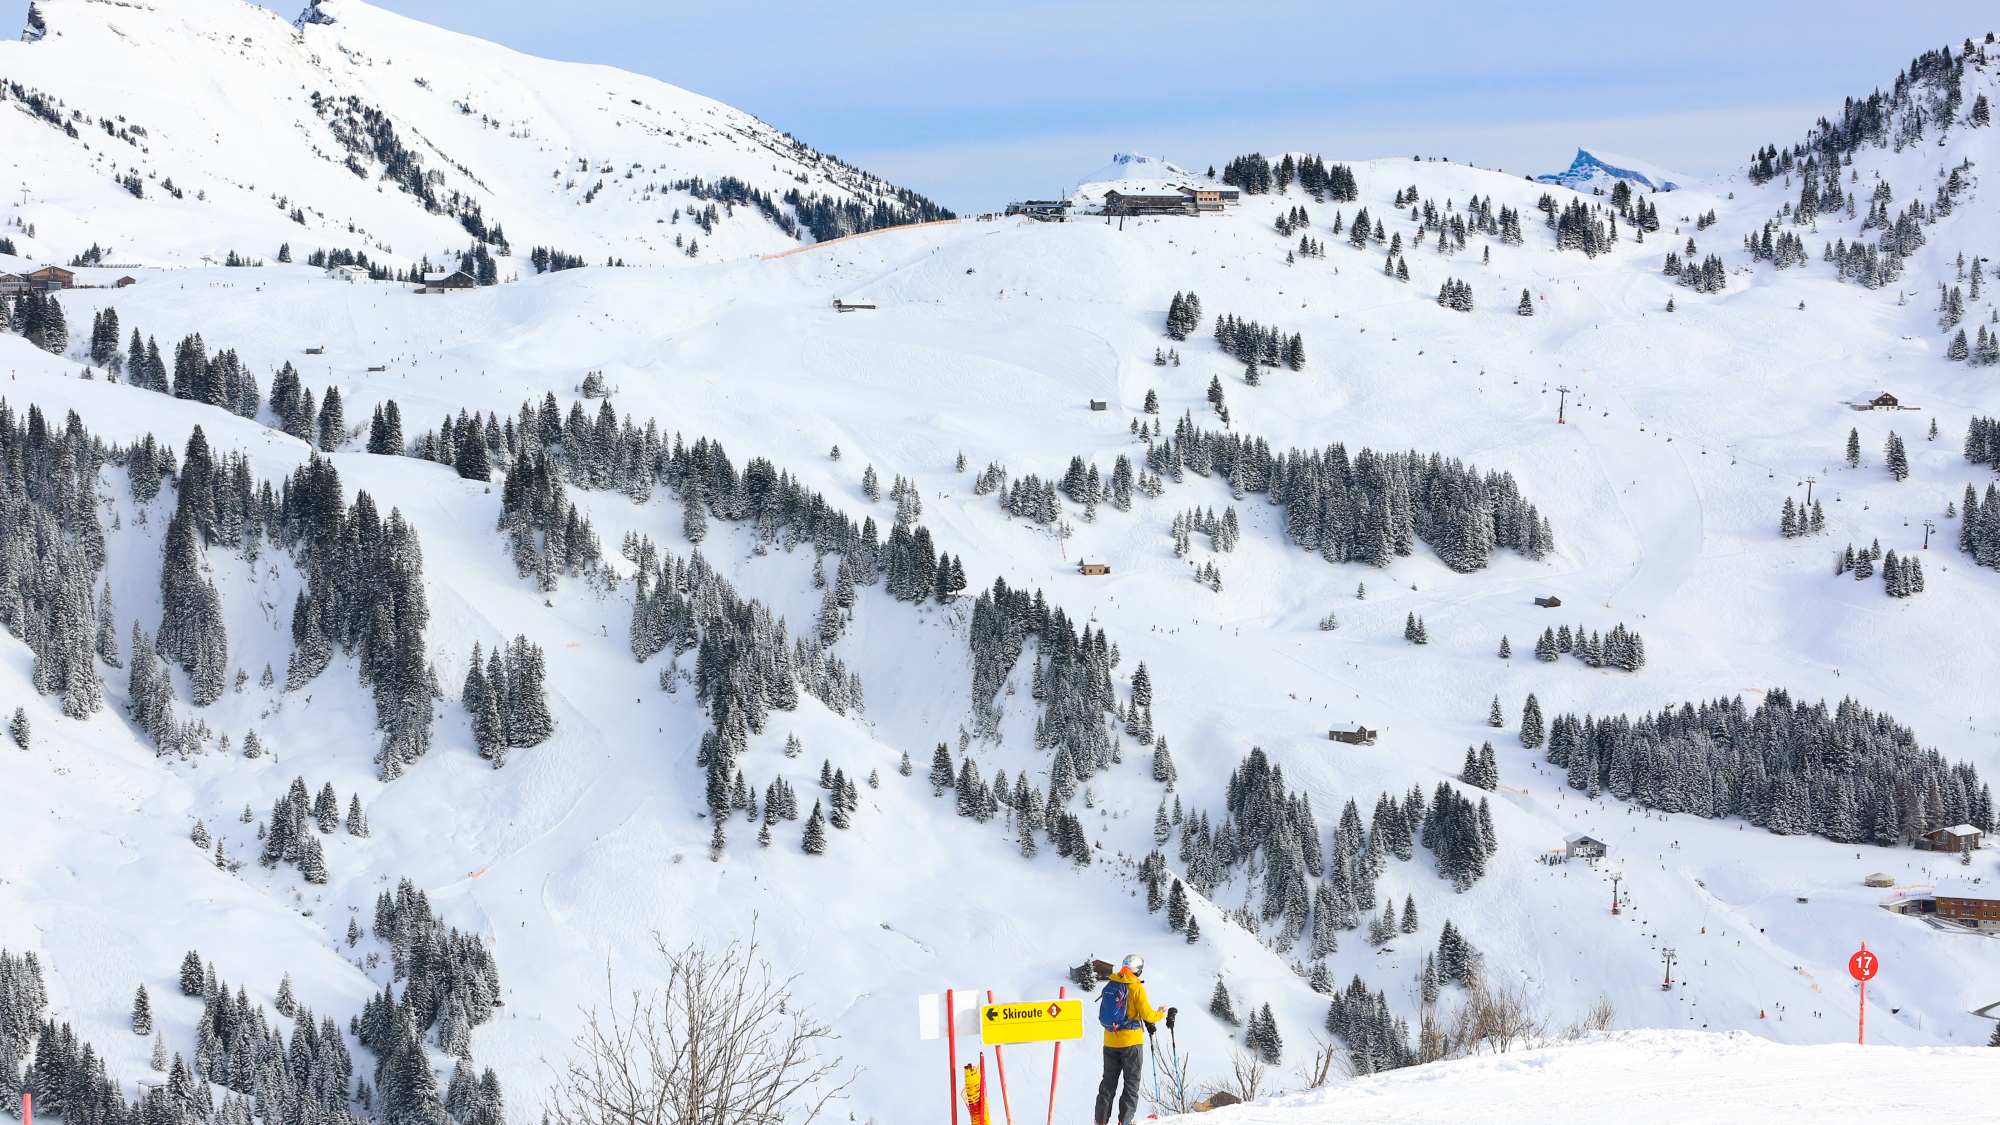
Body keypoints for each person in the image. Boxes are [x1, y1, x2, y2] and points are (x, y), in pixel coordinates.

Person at [1095, 955, 1173, 1125]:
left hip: (1110, 1042)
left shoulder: (1111, 984)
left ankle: (1100, 1121)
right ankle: (1125, 1121)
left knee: (1108, 1083)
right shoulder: (1136, 988)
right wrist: (1160, 1013)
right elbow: (1148, 1015)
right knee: (1131, 1083)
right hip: (1131, 1042)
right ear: (1137, 970)